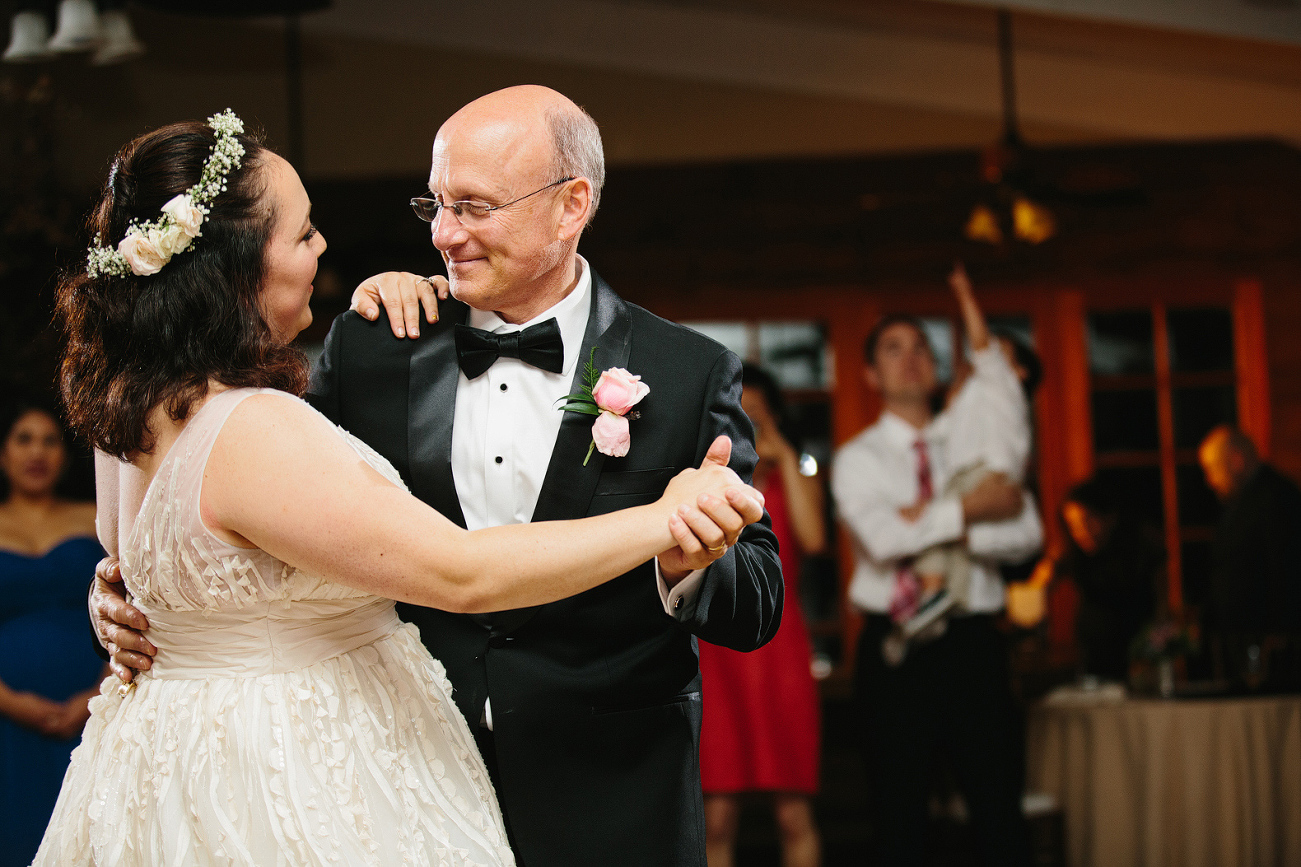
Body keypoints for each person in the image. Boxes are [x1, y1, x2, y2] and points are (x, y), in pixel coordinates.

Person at [39, 109, 763, 866]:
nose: (441, 234)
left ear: (571, 204)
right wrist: (665, 516)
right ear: (240, 265)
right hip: (318, 784)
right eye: (304, 233)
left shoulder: (126, 411)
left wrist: (129, 595)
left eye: (473, 206)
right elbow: (456, 569)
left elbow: (209, 547)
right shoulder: (347, 363)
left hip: (598, 792)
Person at [831, 314, 1043, 867]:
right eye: (894, 348)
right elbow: (882, 540)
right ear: (871, 374)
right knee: (899, 825)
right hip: (897, 653)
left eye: (922, 347)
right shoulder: (858, 459)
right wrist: (971, 510)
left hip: (975, 646)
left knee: (999, 816)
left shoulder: (975, 436)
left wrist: (923, 518)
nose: (912, 357)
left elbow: (1025, 533)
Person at [698, 364, 823, 867]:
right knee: (718, 815)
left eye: (763, 411)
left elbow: (814, 538)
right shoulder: (703, 479)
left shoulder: (797, 472)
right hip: (715, 652)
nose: (753, 420)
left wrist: (787, 458)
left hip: (782, 652)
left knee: (794, 813)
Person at [888, 263, 1034, 661]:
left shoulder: (1003, 388)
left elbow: (983, 346)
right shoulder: (973, 399)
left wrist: (965, 295)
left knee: (937, 521)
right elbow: (940, 433)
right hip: (973, 475)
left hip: (987, 473)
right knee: (944, 529)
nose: (982, 356)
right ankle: (936, 600)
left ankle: (933, 596)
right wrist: (953, 402)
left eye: (1001, 355)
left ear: (1017, 372)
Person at [0, 395, 108, 867]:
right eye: (24, 439)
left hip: (97, 706)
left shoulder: (95, 517)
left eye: (50, 440)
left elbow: (140, 603)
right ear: (3, 452)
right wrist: (11, 702)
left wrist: (101, 691)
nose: (37, 452)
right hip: (7, 719)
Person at [1198, 425, 1301, 689]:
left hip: (1269, 641)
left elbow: (1287, 569)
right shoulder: (1238, 502)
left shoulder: (1278, 498)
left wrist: (1279, 631)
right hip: (1241, 636)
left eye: (1213, 469)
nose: (1210, 481)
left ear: (1236, 459)